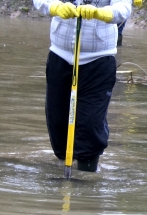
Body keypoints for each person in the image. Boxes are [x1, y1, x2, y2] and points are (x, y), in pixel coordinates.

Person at [33, 0, 132, 172]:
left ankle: (87, 176)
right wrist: (54, 6)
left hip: (99, 59)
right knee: (57, 125)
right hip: (60, 55)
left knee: (90, 125)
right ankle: (64, 168)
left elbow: (123, 8)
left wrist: (102, 13)